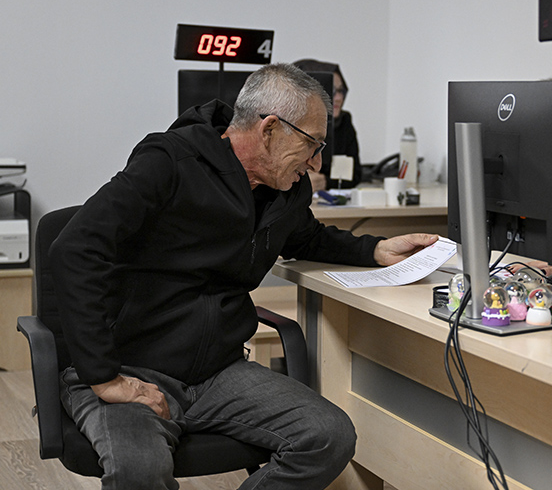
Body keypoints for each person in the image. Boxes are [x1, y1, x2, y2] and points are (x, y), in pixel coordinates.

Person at [51, 63, 438, 490]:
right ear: (270, 129)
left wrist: (375, 249)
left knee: (329, 436)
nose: (316, 162)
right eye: (312, 144)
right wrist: (105, 377)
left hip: (219, 371)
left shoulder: (286, 189)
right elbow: (75, 248)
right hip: (134, 367)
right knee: (140, 469)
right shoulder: (170, 162)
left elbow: (306, 237)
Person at [293, 59, 362, 190]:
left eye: (341, 91)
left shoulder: (344, 122)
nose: (339, 98)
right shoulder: (285, 126)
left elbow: (355, 175)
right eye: (332, 90)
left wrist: (325, 182)